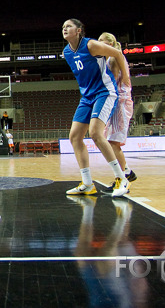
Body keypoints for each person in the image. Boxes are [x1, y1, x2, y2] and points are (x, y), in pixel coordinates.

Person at [61, 19, 129, 197]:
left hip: (104, 92)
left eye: (69, 26)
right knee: (75, 137)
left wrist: (126, 77)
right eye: (63, 27)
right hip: (87, 96)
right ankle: (87, 183)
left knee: (96, 133)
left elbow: (118, 54)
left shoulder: (91, 45)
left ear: (79, 30)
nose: (65, 28)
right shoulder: (67, 52)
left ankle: (121, 179)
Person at [97, 32, 137, 192]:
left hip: (119, 102)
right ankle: (126, 172)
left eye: (101, 40)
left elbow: (111, 82)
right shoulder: (111, 58)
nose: (98, 42)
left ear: (110, 44)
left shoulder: (113, 58)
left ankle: (122, 179)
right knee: (111, 141)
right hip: (117, 101)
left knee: (113, 143)